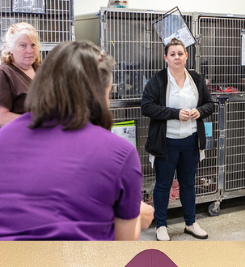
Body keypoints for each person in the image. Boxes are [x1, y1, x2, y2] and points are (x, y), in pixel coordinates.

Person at [0, 40, 151, 240]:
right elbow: (123, 247)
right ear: (98, 94)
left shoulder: (5, 137)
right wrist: (138, 214)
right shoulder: (119, 153)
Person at [141, 38, 215, 242]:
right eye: (172, 54)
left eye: (180, 53)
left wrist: (199, 112)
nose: (177, 57)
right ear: (165, 57)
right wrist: (174, 113)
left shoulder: (196, 79)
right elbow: (146, 107)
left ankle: (190, 223)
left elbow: (210, 104)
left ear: (186, 56)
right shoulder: (158, 80)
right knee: (163, 185)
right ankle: (161, 225)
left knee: (188, 184)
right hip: (166, 142)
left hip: (191, 141)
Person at [0, 22, 40, 126]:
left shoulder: (42, 70)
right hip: (21, 136)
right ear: (10, 48)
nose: (29, 51)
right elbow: (2, 117)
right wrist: (38, 122)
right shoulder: (4, 74)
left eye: (33, 45)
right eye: (23, 45)